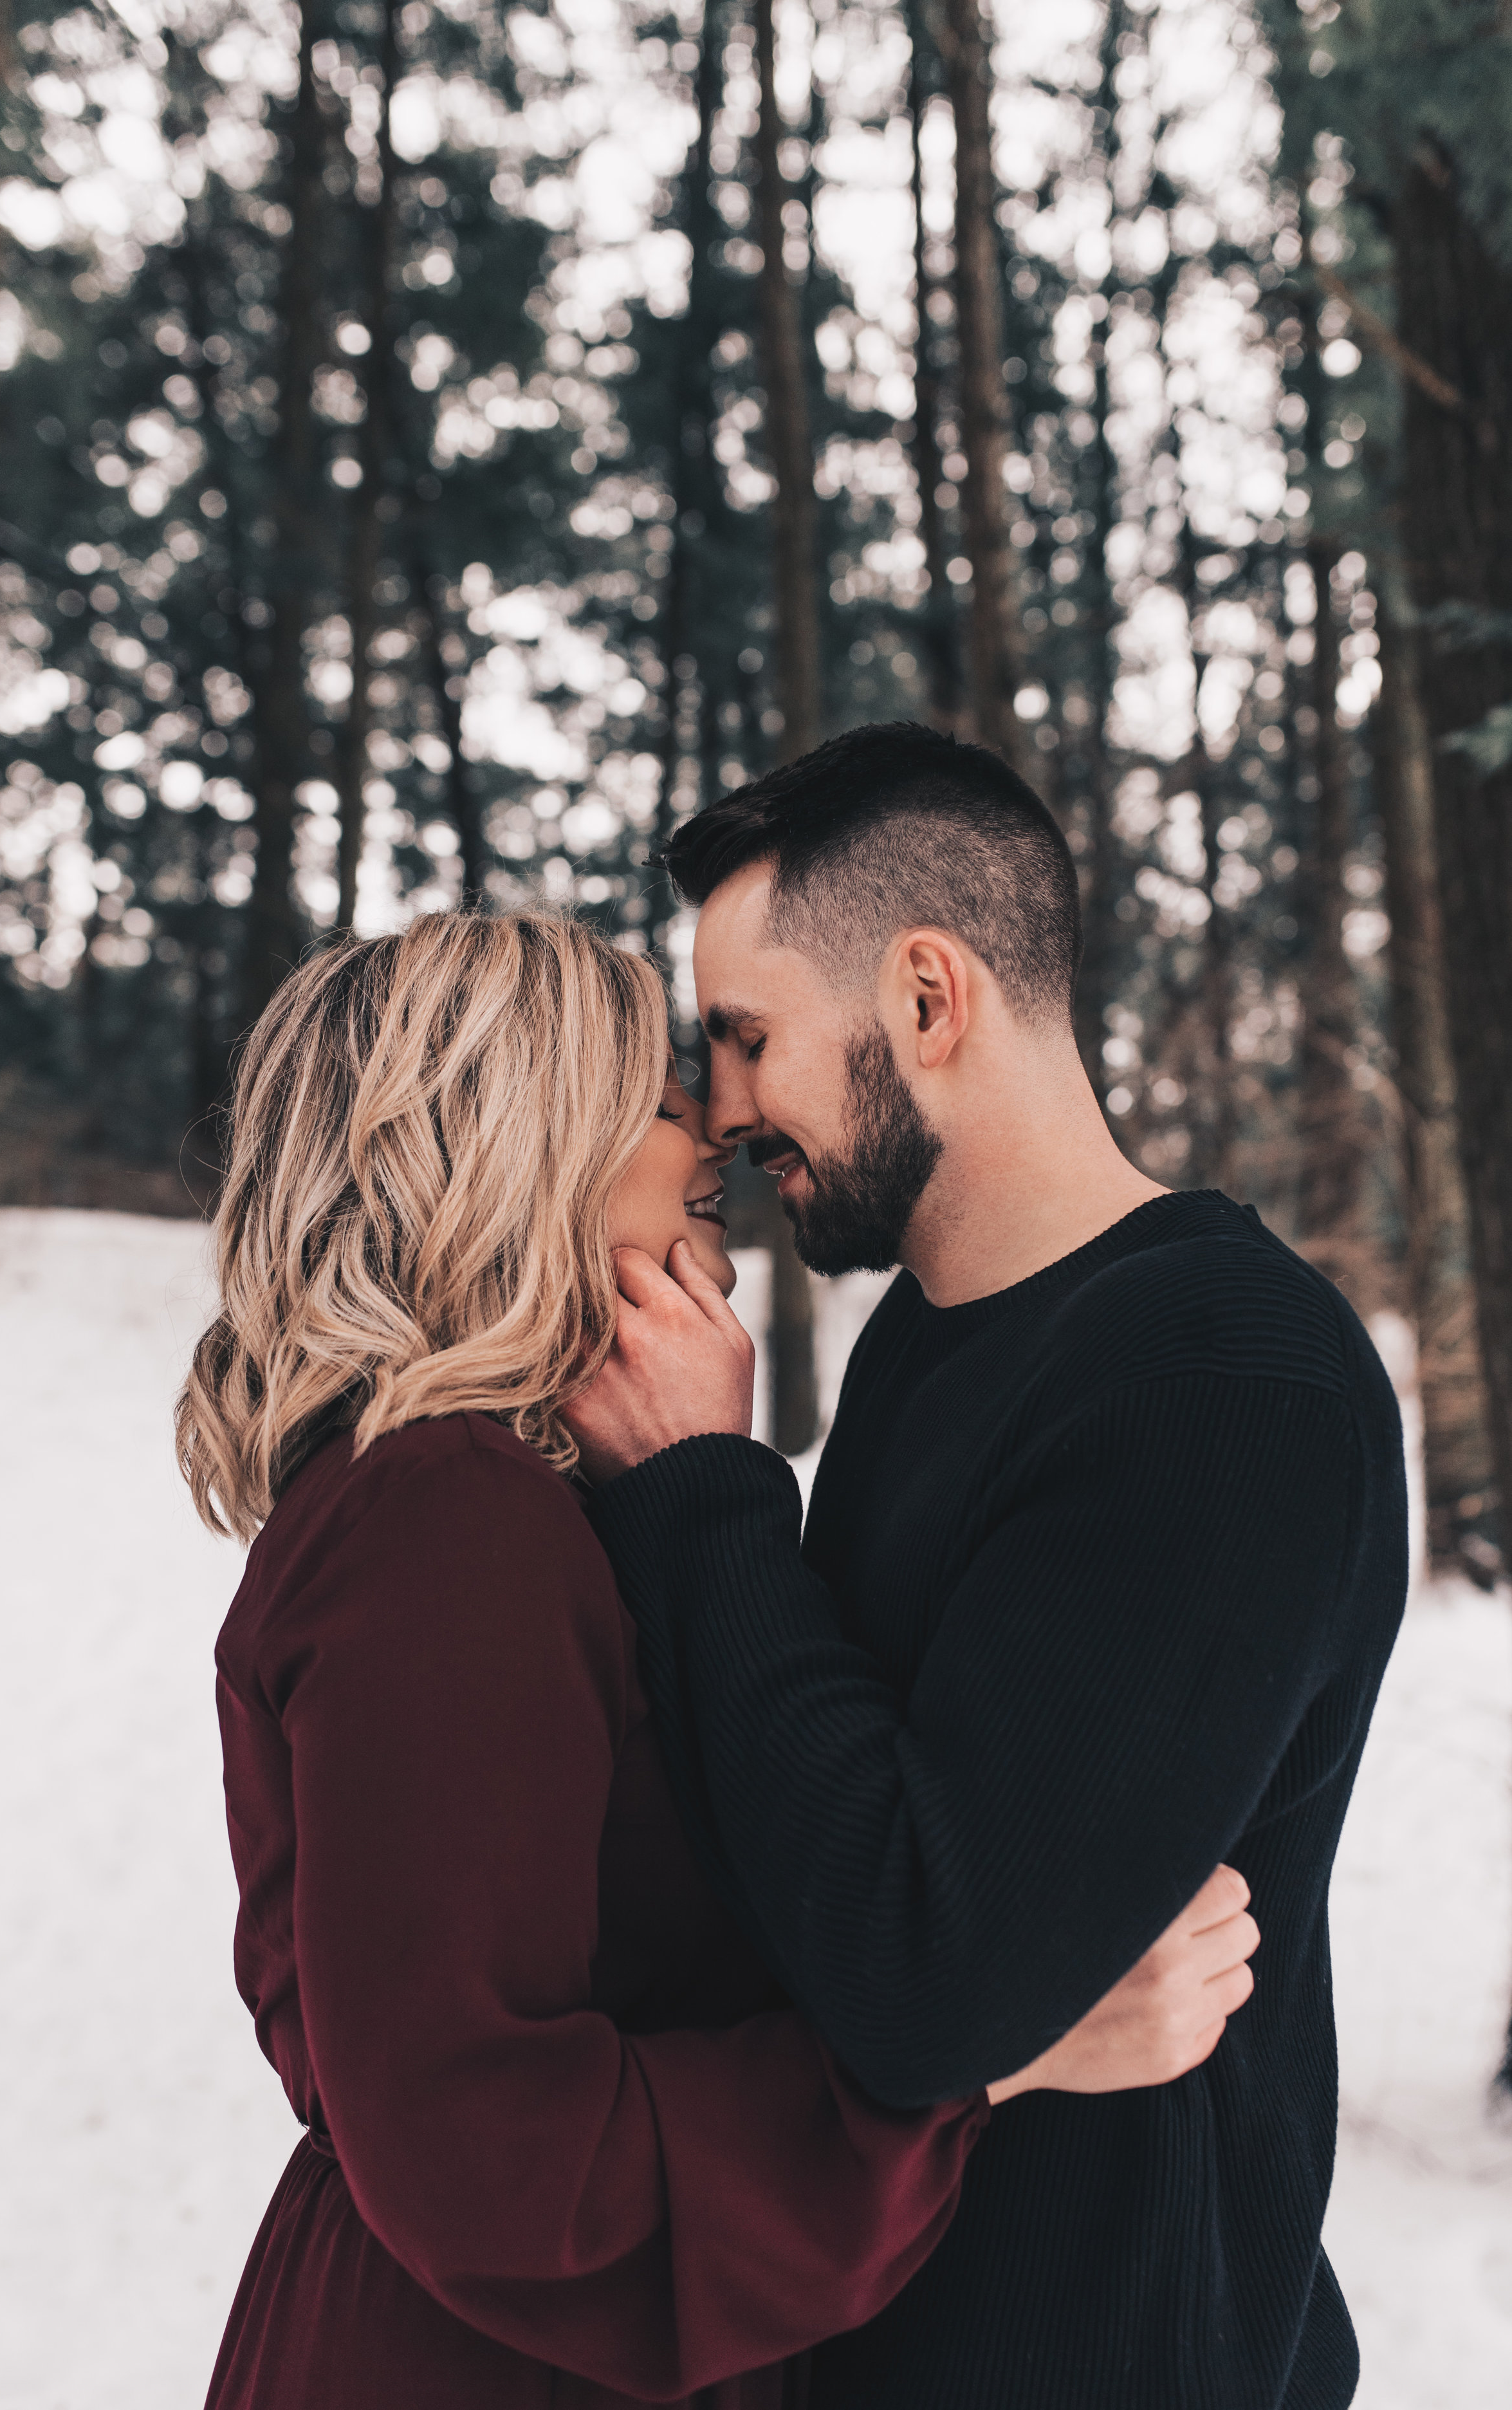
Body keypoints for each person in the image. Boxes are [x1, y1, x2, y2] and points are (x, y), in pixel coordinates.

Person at [176, 910, 1259, 2410]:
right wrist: (991, 2058)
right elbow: (485, 2140)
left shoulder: (483, 1497)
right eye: (659, 1083)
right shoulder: (447, 1514)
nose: (713, 1121)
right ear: (512, 1134)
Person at [564, 722, 1410, 2410]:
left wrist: (709, 1493)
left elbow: (918, 1977)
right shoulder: (933, 1345)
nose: (717, 1116)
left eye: (744, 1040)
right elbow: (804, 1845)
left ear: (927, 1000)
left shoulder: (1221, 1379)